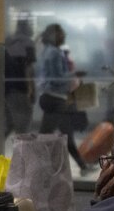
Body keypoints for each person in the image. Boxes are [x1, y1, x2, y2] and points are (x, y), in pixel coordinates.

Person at [37, 23, 91, 176]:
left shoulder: (46, 51)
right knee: (47, 137)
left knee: (63, 134)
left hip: (50, 97)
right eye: (61, 34)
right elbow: (57, 78)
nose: (64, 36)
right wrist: (75, 74)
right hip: (55, 98)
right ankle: (37, 168)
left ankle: (83, 166)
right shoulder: (54, 52)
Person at [4, 18, 36, 135]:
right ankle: (22, 153)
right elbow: (28, 68)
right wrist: (30, 90)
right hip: (21, 88)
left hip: (7, 88)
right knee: (23, 127)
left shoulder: (8, 41)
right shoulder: (28, 43)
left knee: (8, 123)